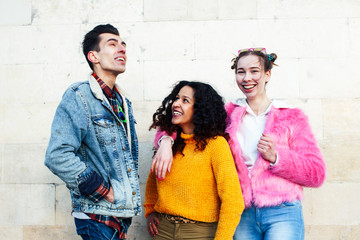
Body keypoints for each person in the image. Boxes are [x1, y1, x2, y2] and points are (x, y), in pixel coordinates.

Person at [152, 48, 326, 240]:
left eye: (254, 71)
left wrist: (277, 157)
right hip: (242, 213)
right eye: (240, 72)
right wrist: (165, 141)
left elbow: (316, 173)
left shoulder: (291, 117)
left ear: (267, 74)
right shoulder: (227, 115)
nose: (246, 78)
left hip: (282, 211)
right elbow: (182, 123)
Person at [45, 24, 141, 240]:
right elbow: (57, 156)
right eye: (112, 44)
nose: (122, 49)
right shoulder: (78, 96)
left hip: (117, 218)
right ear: (94, 56)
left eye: (123, 44)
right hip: (96, 216)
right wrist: (104, 191)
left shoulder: (123, 102)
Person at [144, 81, 244, 240]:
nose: (176, 104)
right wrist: (150, 211)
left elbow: (233, 201)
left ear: (200, 109)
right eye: (176, 99)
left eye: (185, 100)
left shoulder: (216, 145)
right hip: (163, 231)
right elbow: (153, 179)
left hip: (200, 233)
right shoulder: (169, 144)